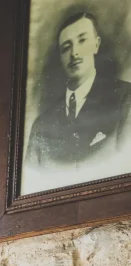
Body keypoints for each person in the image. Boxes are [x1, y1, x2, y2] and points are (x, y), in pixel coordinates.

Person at [26, 11, 131, 169]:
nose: (74, 53)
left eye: (82, 40)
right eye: (66, 48)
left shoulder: (125, 97)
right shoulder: (41, 127)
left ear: (96, 44)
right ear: (61, 57)